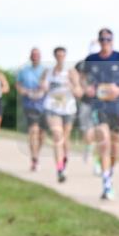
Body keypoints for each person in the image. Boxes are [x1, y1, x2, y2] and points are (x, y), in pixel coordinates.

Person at [79, 28, 119, 200]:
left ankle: (109, 172)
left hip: (118, 107)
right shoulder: (91, 60)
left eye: (108, 39)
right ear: (99, 41)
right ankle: (106, 185)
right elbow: (79, 76)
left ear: (112, 41)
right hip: (99, 107)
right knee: (104, 142)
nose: (105, 42)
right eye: (102, 39)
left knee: (115, 147)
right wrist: (86, 88)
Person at [42, 47, 82, 182]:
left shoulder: (71, 72)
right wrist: (43, 87)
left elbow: (79, 92)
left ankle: (64, 161)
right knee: (57, 136)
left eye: (62, 55)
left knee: (65, 138)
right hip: (52, 108)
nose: (60, 58)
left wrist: (72, 86)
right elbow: (42, 86)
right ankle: (59, 169)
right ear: (54, 56)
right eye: (58, 55)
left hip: (68, 109)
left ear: (65, 57)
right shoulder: (48, 72)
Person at [15, 47, 47, 171]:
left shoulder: (45, 71)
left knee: (42, 135)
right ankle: (34, 159)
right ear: (30, 56)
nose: (35, 57)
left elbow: (49, 85)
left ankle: (37, 154)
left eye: (37, 55)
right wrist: (24, 91)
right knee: (33, 130)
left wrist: (43, 89)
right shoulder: (24, 71)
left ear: (40, 57)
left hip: (44, 105)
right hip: (29, 104)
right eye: (33, 55)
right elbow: (18, 84)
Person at [75, 41, 102, 174]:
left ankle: (98, 163)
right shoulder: (82, 65)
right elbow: (76, 79)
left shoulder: (105, 65)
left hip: (101, 103)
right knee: (87, 132)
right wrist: (84, 88)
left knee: (100, 133)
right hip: (86, 102)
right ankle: (88, 146)